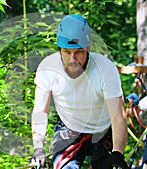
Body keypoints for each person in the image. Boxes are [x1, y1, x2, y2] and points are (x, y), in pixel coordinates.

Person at [29, 14, 128, 169]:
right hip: (68, 129)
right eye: (66, 52)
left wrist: (118, 153)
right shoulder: (47, 69)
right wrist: (38, 148)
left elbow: (118, 117)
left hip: (102, 131)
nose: (72, 59)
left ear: (88, 48)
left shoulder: (105, 69)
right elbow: (40, 112)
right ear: (59, 49)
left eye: (79, 52)